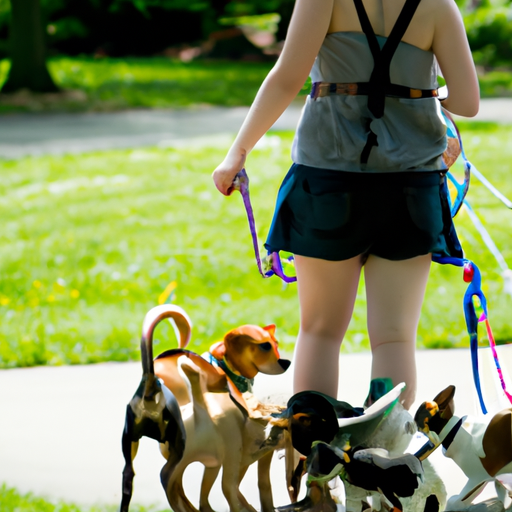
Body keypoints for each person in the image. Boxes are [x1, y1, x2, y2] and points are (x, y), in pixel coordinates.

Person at [212, 0, 479, 410]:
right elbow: (467, 102)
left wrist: (238, 152)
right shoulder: (439, 6)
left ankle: (316, 457)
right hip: (410, 186)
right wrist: (415, 93)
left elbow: (287, 77)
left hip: (328, 180)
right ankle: (382, 460)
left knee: (320, 331)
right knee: (394, 336)